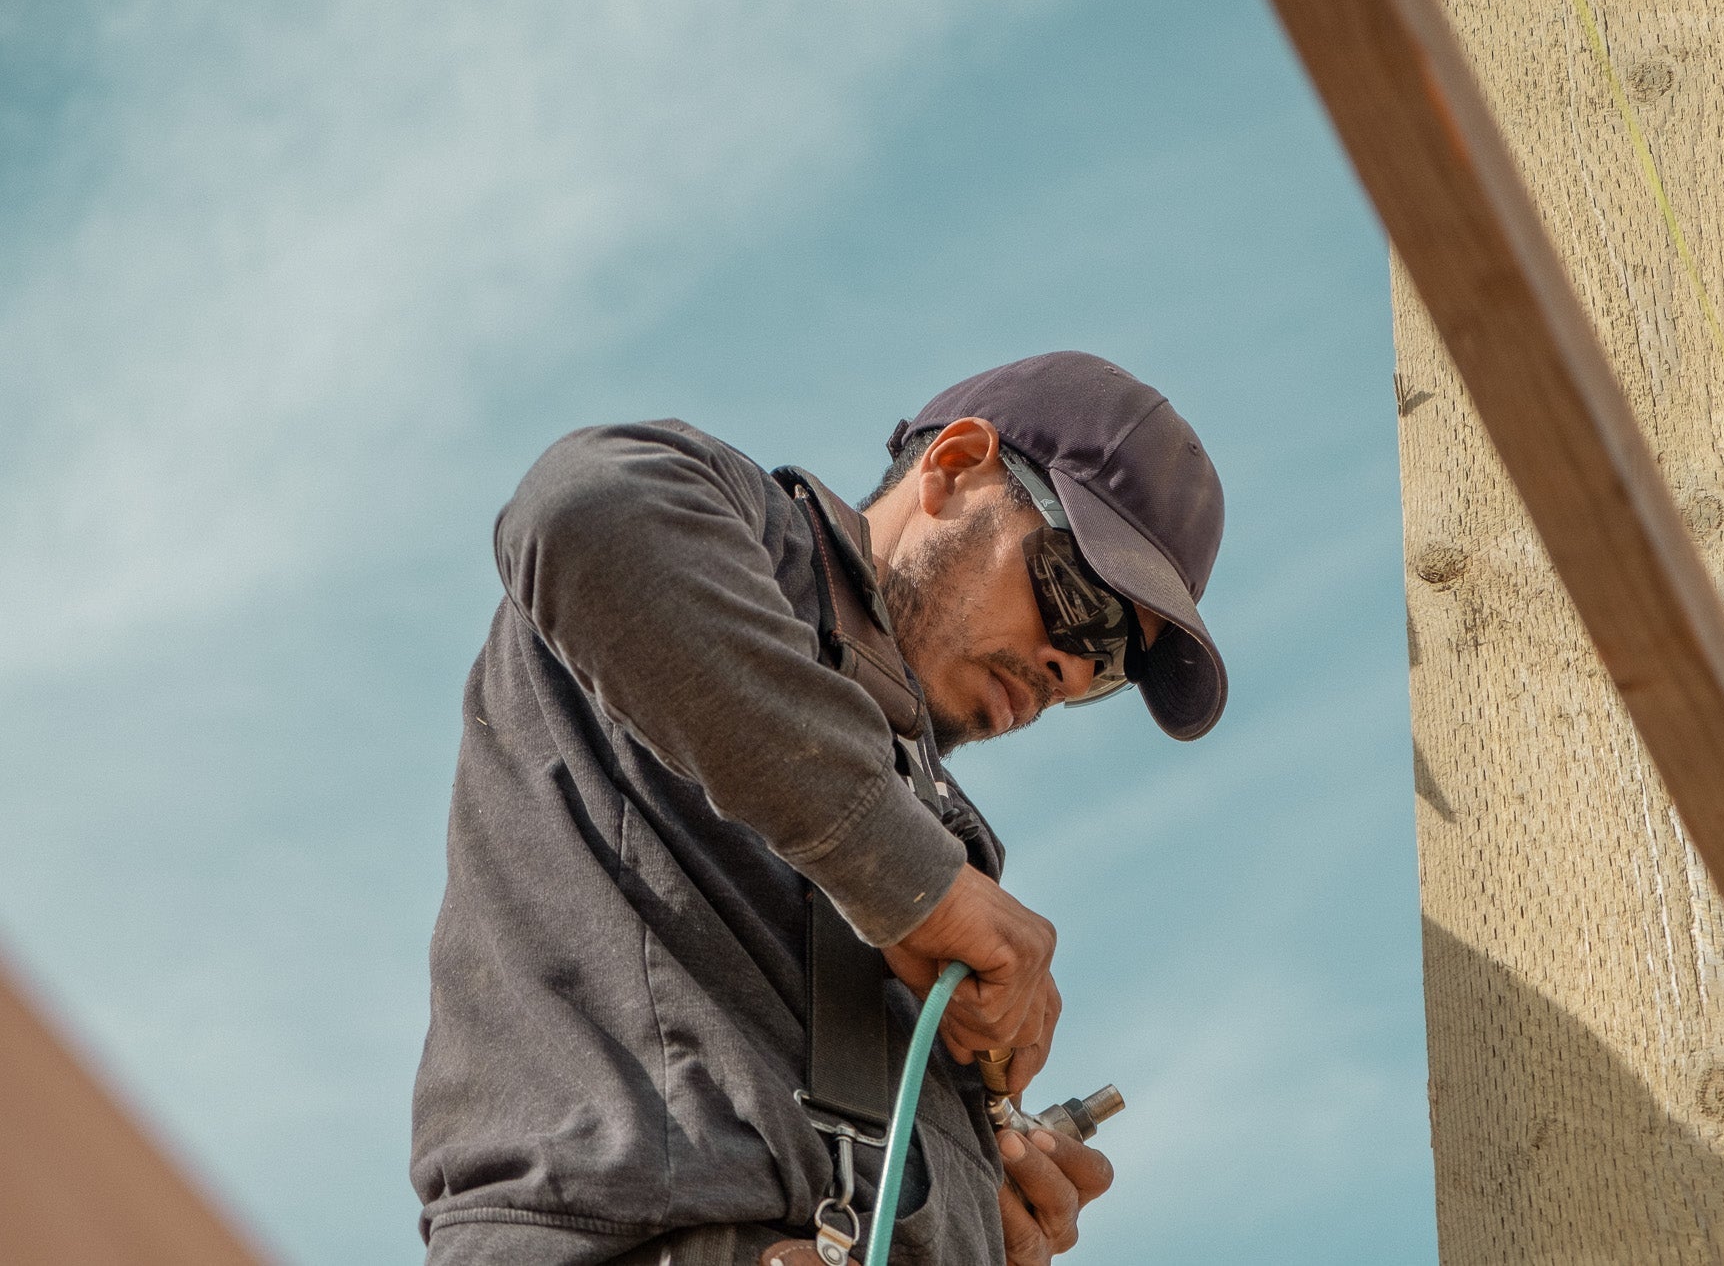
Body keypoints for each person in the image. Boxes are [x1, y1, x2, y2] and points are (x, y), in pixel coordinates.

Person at [410, 350, 1228, 1266]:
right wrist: (918, 886)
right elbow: (583, 512)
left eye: (1112, 667)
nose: (1071, 668)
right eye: (1077, 600)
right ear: (955, 467)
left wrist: (963, 1205)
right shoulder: (742, 533)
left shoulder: (922, 806)